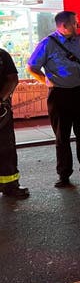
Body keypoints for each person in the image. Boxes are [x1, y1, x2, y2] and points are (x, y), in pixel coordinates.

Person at [27, 11, 80, 188]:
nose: (78, 26)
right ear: (63, 26)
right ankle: (64, 174)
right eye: (75, 23)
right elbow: (32, 67)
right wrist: (46, 81)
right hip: (60, 95)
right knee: (62, 137)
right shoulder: (47, 43)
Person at [0, 49, 29, 198]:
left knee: (5, 148)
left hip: (0, 113)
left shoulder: (2, 55)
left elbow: (12, 79)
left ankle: (10, 185)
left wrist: (0, 100)